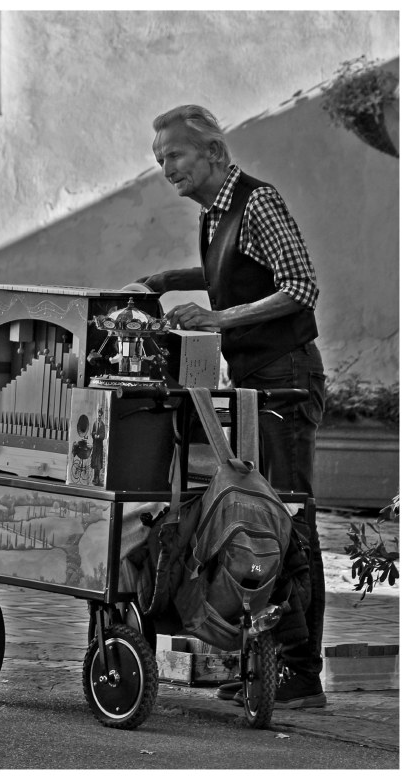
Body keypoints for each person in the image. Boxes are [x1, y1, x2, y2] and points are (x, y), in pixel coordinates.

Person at [138, 105, 326, 709]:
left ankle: (301, 672)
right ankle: (268, 665)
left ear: (214, 153)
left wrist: (217, 317)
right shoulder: (217, 212)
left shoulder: (257, 200)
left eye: (174, 155)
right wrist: (174, 277)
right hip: (253, 377)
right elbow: (238, 273)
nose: (165, 167)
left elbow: (299, 284)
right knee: (261, 518)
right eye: (159, 158)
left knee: (290, 519)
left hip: (284, 375)